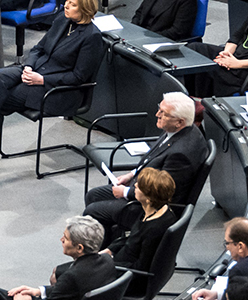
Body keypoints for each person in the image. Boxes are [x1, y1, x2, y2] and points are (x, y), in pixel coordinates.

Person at [0, 0, 104, 176]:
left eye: (72, 4)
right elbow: (38, 49)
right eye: (66, 1)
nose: (66, 6)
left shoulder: (92, 37)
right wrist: (29, 67)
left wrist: (42, 79)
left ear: (85, 8)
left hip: (57, 89)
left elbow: (78, 77)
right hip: (35, 70)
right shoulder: (62, 20)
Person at [82, 92, 204, 231]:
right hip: (141, 185)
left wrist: (126, 192)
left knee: (93, 211)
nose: (157, 114)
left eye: (163, 113)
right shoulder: (178, 128)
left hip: (150, 208)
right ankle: (108, 241)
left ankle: (104, 250)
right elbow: (153, 157)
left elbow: (162, 194)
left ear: (180, 121)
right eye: (159, 108)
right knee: (93, 195)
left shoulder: (181, 154)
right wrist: (132, 174)